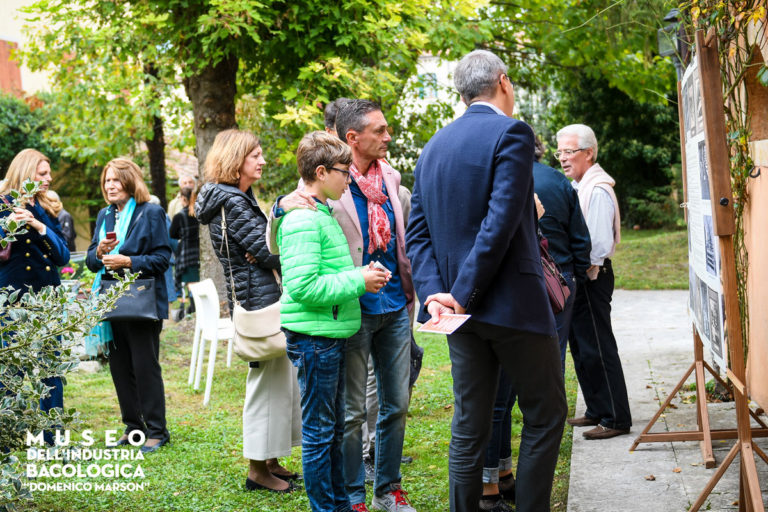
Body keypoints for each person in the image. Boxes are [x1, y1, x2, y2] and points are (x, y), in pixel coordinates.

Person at [405, 50, 567, 512]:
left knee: (469, 423)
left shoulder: (433, 145)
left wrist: (441, 294)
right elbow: (497, 225)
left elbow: (416, 233)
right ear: (503, 81)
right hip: (511, 304)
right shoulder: (512, 132)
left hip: (460, 314)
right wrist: (458, 295)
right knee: (545, 413)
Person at [270, 100, 417, 512]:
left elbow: (407, 238)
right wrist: (279, 207)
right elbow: (292, 236)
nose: (388, 137)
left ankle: (388, 488)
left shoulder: (392, 178)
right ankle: (353, 498)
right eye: (380, 130)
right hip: (349, 309)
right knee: (349, 414)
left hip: (393, 305)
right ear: (352, 138)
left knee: (396, 403)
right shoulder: (325, 186)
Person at [277, 130, 389, 512]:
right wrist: (359, 280)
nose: (350, 178)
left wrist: (361, 274)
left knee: (334, 428)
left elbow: (325, 270)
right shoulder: (303, 218)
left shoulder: (319, 210)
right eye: (344, 171)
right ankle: (327, 507)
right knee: (320, 433)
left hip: (328, 333)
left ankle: (339, 504)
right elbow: (304, 286)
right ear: (322, 172)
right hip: (314, 337)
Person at [195, 129, 302, 493]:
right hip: (259, 302)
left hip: (261, 295)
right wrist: (273, 246)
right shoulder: (233, 202)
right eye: (255, 155)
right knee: (266, 387)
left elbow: (265, 248)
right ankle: (257, 470)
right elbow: (272, 251)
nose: (262, 161)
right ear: (236, 159)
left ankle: (270, 460)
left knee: (278, 382)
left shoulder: (237, 197)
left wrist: (267, 247)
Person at [85, 158, 171, 453]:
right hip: (111, 300)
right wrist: (99, 251)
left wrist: (129, 261)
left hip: (142, 300)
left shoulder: (151, 213)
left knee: (145, 366)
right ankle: (134, 427)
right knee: (120, 367)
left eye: (115, 180)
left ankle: (157, 430)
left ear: (130, 182)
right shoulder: (104, 216)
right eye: (106, 180)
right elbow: (90, 261)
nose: (109, 185)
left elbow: (162, 259)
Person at [556, 123, 632, 440]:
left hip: (593, 276)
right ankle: (596, 410)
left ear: (589, 153)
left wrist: (579, 272)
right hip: (583, 276)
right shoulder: (581, 186)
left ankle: (615, 417)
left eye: (569, 151)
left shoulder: (597, 189)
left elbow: (597, 246)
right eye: (559, 151)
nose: (562, 158)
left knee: (599, 347)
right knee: (583, 348)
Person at [0, 149, 70, 445]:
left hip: (46, 301)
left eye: (48, 173)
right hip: (10, 304)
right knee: (9, 375)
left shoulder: (45, 209)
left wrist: (38, 226)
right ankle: (7, 441)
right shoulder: (1, 206)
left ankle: (52, 441)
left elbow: (63, 255)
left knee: (51, 373)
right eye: (42, 174)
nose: (49, 179)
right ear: (25, 173)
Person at [169, 187, 200, 315]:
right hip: (199, 250)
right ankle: (194, 306)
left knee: (191, 283)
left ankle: (194, 307)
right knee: (197, 281)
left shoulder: (179, 216)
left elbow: (172, 234)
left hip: (186, 252)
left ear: (183, 198)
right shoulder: (198, 213)